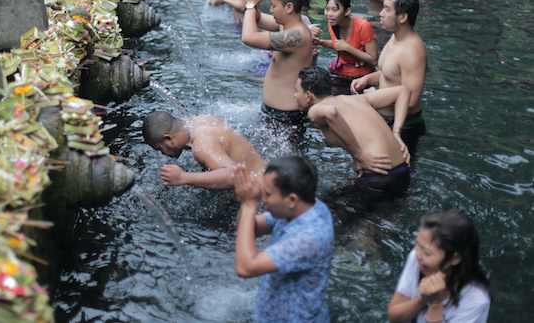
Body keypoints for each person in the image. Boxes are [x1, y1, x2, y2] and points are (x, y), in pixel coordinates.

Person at [232, 155, 334, 323]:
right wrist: (246, 200)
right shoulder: (301, 207)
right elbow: (250, 228)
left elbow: (245, 268)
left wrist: (250, 204)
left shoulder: (308, 238)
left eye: (268, 194)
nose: (263, 199)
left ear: (292, 199)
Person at [295, 66, 412, 196]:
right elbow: (403, 91)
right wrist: (396, 133)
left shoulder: (315, 109)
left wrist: (359, 155)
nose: (294, 95)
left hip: (379, 176)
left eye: (296, 90)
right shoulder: (355, 99)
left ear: (308, 95)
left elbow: (331, 112)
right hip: (403, 171)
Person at [350, 0, 427, 156]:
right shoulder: (395, 36)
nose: (381, 14)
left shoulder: (412, 51)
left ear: (403, 17)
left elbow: (411, 100)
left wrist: (374, 97)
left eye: (387, 9)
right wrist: (368, 79)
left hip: (404, 127)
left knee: (396, 177)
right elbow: (391, 73)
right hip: (386, 119)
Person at [387, 210, 491, 323]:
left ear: (455, 258)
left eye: (427, 252)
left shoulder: (476, 301)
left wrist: (436, 304)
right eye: (417, 245)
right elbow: (394, 318)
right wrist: (422, 299)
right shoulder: (417, 259)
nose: (418, 254)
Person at [241, 0, 314, 122]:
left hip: (286, 118)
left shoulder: (297, 35)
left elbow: (248, 37)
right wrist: (254, 4)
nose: (271, 10)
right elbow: (256, 18)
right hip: (272, 112)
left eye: (274, 6)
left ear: (289, 7)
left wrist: (251, 4)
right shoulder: (284, 25)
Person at [142, 111, 266, 189]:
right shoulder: (201, 120)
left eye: (160, 149)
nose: (163, 154)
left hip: (262, 196)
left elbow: (233, 175)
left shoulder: (201, 144)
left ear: (168, 139)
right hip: (267, 176)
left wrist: (183, 177)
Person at [315, 0, 377, 93]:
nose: (329, 14)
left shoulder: (363, 26)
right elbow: (338, 45)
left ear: (347, 11)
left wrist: (347, 47)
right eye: (327, 9)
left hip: (362, 77)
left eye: (335, 9)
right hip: (341, 72)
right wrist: (322, 42)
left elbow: (374, 60)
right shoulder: (333, 22)